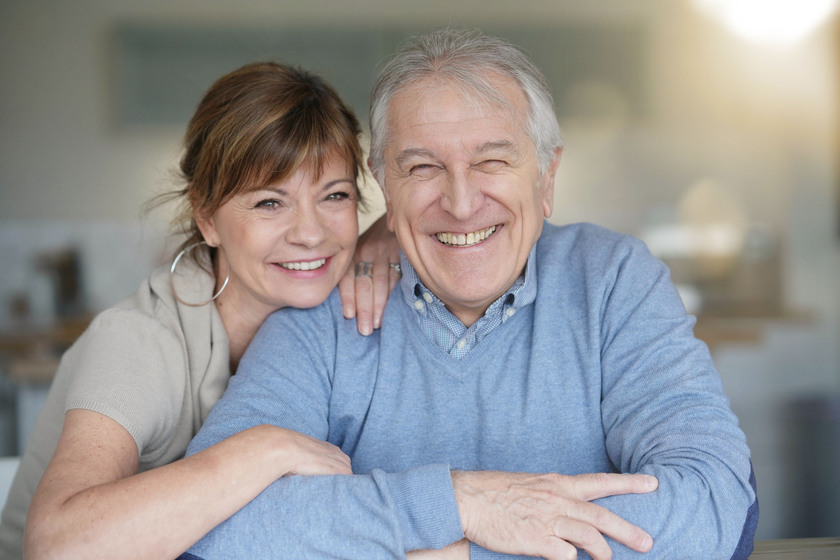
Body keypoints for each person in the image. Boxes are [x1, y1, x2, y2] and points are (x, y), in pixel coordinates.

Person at [181, 29, 758, 560]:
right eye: (423, 167)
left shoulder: (613, 282)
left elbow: (712, 502)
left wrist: (457, 551)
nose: (460, 202)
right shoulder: (318, 312)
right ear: (385, 184)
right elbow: (213, 524)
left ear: (546, 177)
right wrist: (458, 504)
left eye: (492, 161)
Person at [0, 61, 399, 560]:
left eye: (335, 196)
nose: (311, 233)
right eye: (270, 203)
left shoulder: (337, 305)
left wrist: (390, 231)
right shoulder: (138, 341)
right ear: (207, 218)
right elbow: (58, 546)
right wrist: (264, 449)